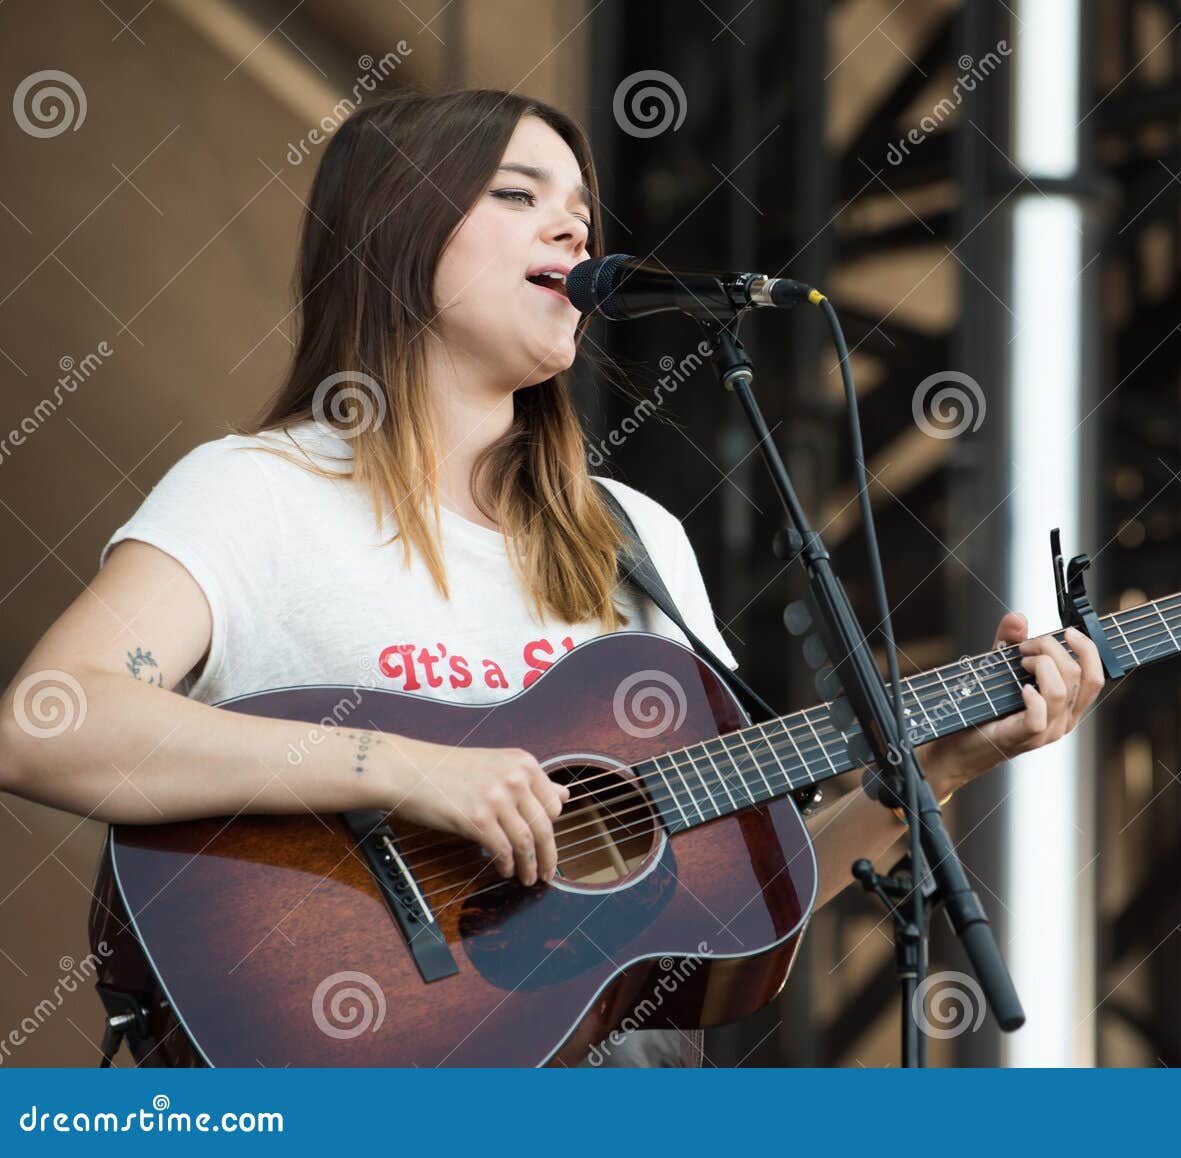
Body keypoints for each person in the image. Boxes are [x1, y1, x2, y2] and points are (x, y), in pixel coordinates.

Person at [0, 88, 1104, 1066]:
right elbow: (49, 726)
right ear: (397, 230)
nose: (573, 224)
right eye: (520, 195)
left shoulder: (631, 535)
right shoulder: (260, 492)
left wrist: (931, 770)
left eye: (579, 203)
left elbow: (735, 904)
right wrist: (404, 769)